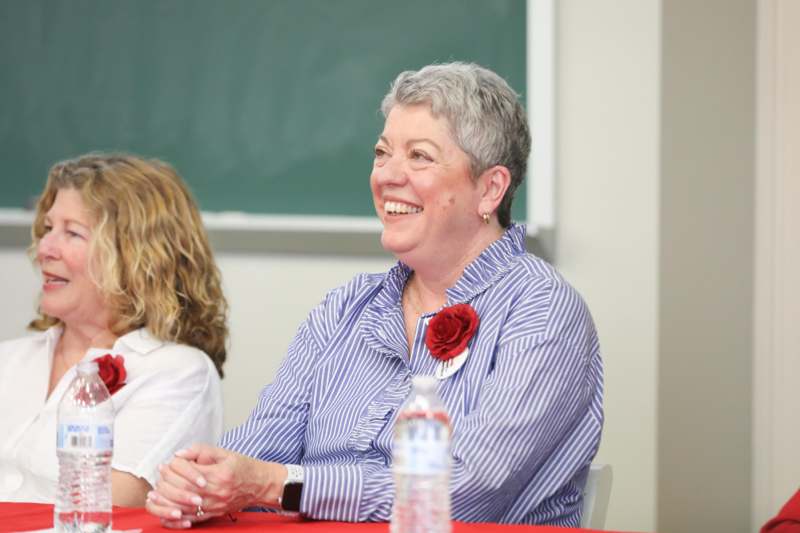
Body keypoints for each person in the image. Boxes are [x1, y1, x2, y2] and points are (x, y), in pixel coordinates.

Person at [147, 62, 603, 527]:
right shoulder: (345, 307)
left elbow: (464, 492)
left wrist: (277, 485)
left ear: (489, 190)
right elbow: (261, 449)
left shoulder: (543, 308)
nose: (387, 175)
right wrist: (203, 480)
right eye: (382, 153)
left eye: (419, 156)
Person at [0, 153, 228, 507]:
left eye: (72, 233)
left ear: (136, 256)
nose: (44, 249)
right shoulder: (8, 359)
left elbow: (110, 504)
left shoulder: (177, 372)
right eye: (48, 229)